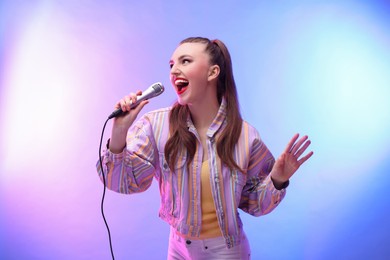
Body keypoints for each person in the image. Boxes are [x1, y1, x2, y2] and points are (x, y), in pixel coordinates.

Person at [97, 36, 313, 259]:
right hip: (179, 249)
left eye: (185, 61)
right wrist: (119, 131)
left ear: (212, 73)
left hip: (228, 251)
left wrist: (278, 179)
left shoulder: (245, 136)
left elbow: (255, 204)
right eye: (172, 65)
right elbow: (123, 181)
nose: (174, 71)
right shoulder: (156, 126)